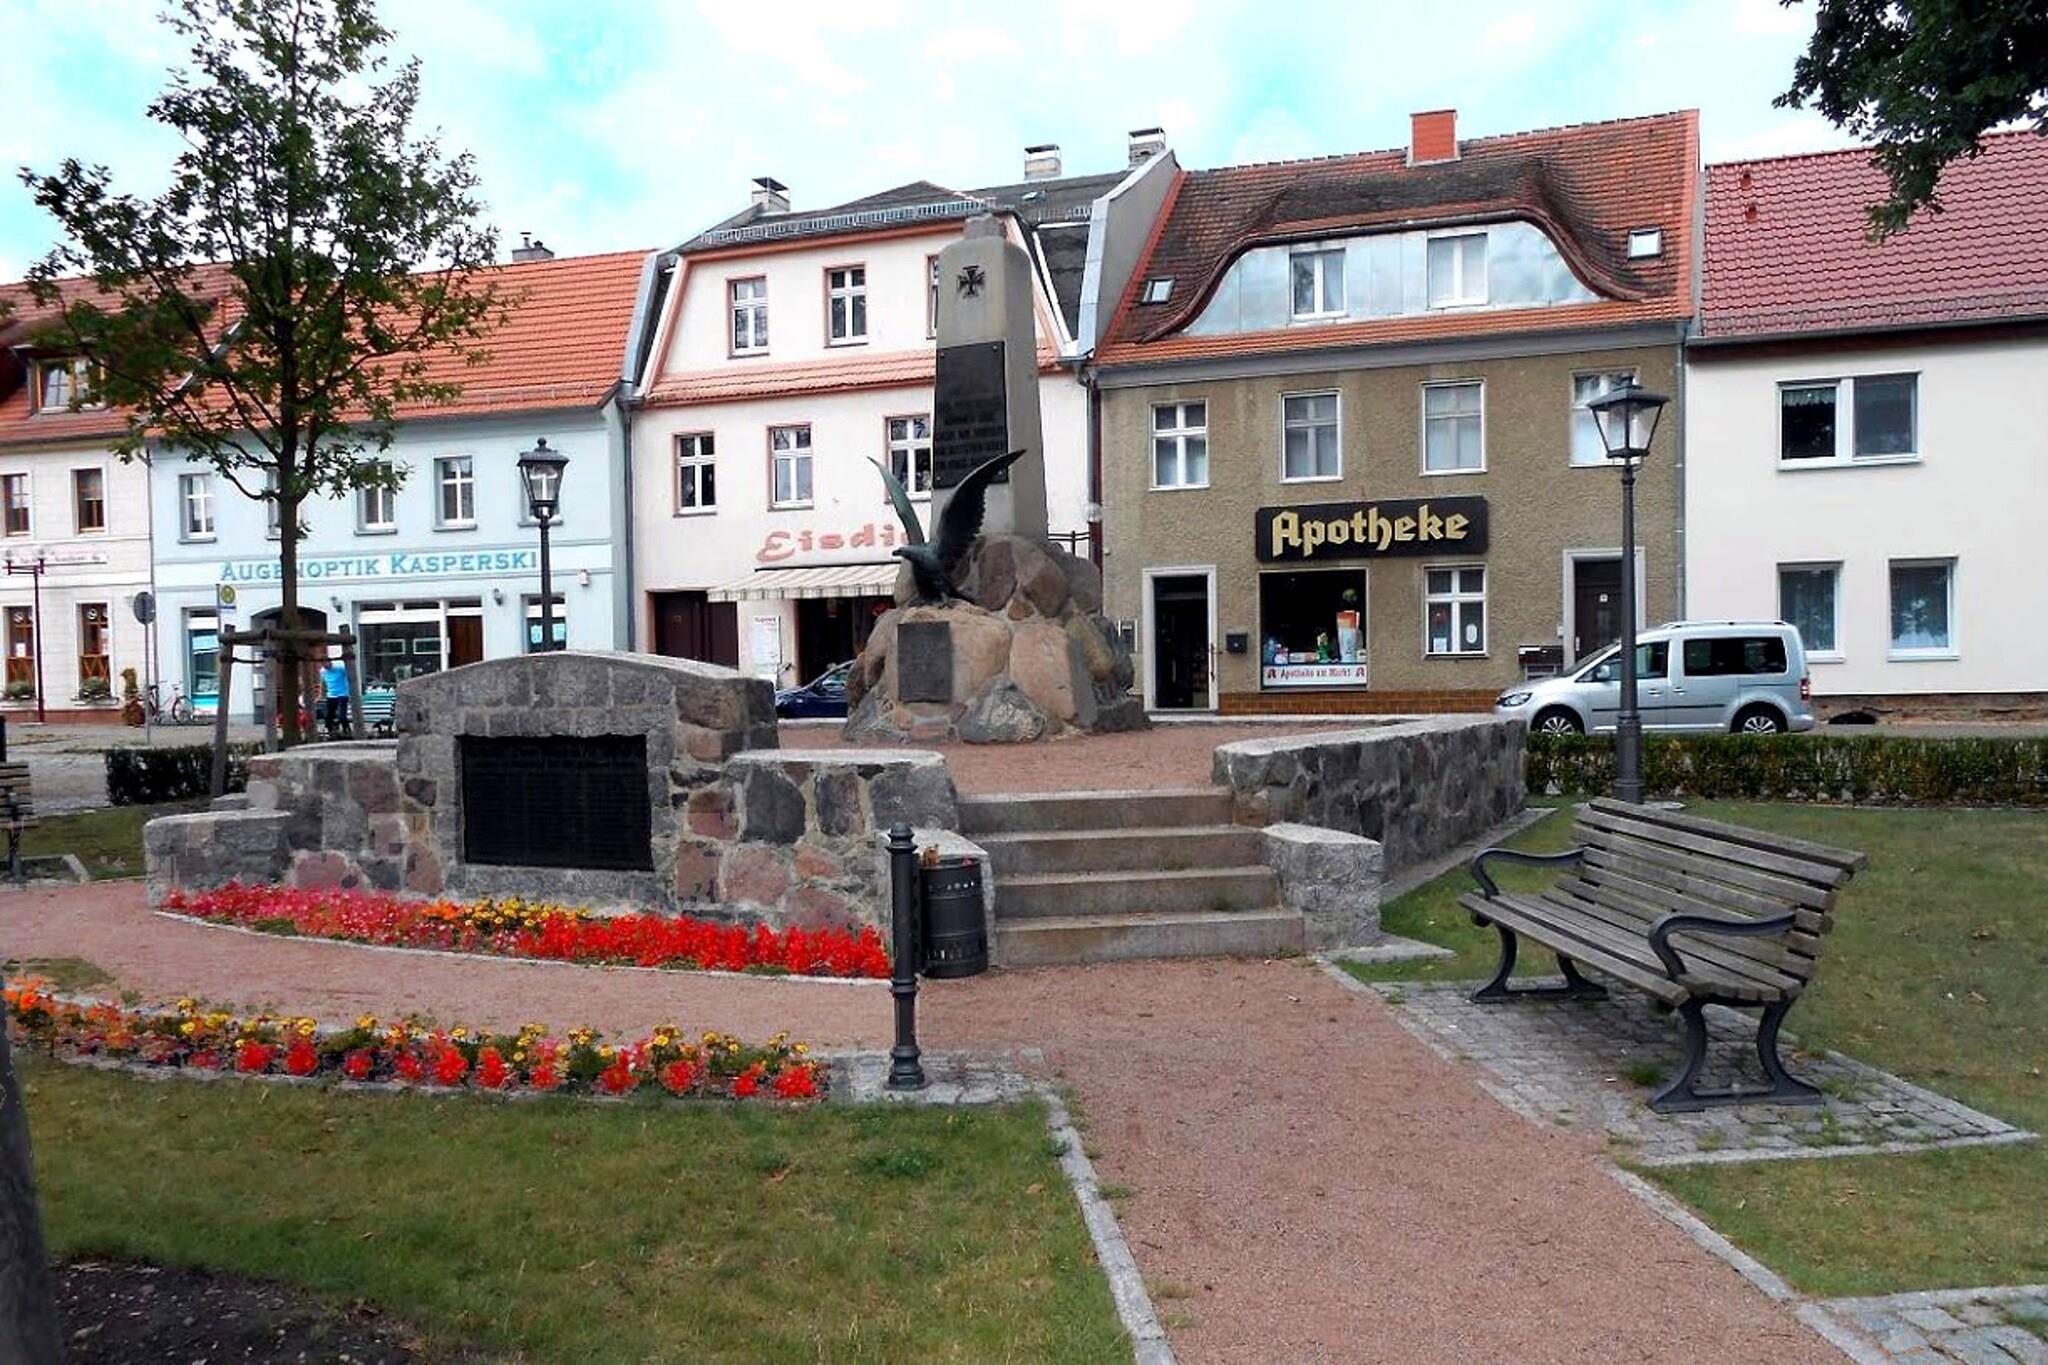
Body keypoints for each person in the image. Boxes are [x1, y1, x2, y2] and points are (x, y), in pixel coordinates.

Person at [319, 653, 351, 737]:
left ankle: (346, 730)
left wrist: (350, 692)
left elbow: (350, 677)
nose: (324, 666)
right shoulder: (323, 671)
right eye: (322, 664)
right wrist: (320, 694)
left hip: (342, 694)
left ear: (330, 662)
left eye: (325, 664)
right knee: (329, 716)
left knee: (342, 715)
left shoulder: (340, 668)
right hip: (331, 695)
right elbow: (322, 683)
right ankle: (331, 732)